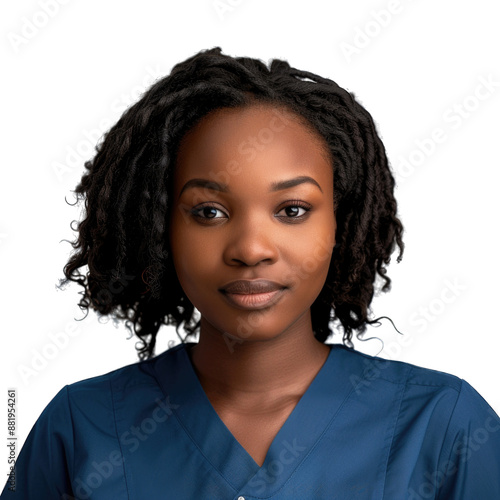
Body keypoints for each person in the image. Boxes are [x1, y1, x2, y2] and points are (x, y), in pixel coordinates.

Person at [2, 46, 499, 499]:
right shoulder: (81, 429)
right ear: (157, 229)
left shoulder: (445, 427)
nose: (251, 249)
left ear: (341, 224)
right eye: (209, 212)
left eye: (292, 210)